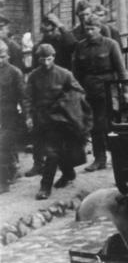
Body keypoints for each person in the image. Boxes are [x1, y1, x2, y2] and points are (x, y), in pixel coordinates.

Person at [26, 44, 90, 200]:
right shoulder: (34, 76)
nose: (46, 63)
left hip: (61, 120)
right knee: (55, 151)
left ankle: (45, 187)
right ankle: (68, 174)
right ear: (38, 59)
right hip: (42, 119)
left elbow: (79, 92)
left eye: (49, 59)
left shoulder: (64, 74)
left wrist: (63, 103)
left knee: (52, 152)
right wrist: (28, 116)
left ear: (53, 57)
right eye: (42, 59)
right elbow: (28, 98)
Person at [72, 15, 128, 171]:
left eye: (93, 28)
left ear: (99, 28)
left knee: (106, 125)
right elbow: (76, 73)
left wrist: (125, 91)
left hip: (107, 91)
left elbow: (121, 70)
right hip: (88, 91)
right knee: (94, 126)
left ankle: (118, 157)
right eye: (87, 29)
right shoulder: (80, 47)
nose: (89, 32)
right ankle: (100, 158)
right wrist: (76, 92)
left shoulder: (111, 45)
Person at [0, 40, 28, 192]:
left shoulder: (14, 72)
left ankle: (5, 180)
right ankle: (11, 169)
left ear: (8, 56)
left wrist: (27, 115)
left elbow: (23, 96)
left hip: (9, 113)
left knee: (4, 144)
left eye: (2, 56)